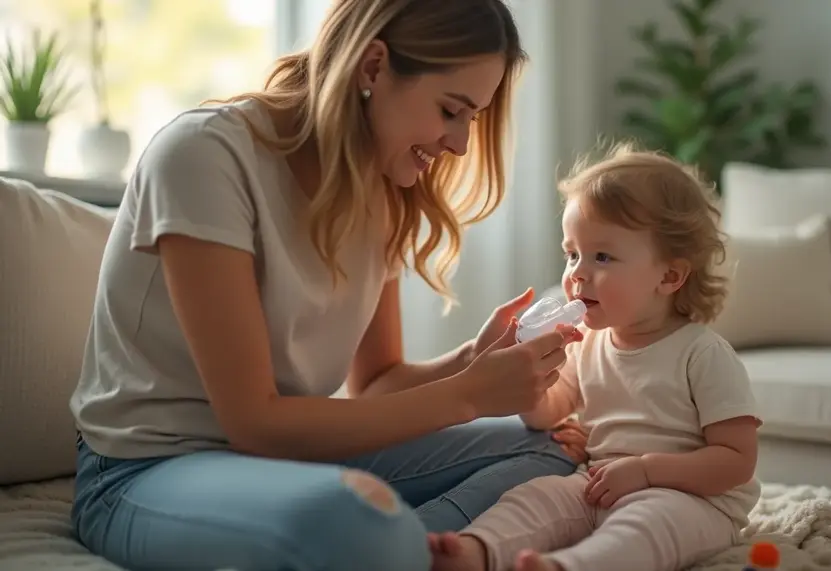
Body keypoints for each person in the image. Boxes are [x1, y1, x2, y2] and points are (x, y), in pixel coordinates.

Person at [68, 1, 584, 570]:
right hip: (149, 468)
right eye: (450, 110)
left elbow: (378, 383)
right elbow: (254, 424)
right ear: (373, 67)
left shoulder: (381, 190)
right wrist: (467, 395)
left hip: (289, 461)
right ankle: (389, 546)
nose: (460, 144)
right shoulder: (205, 157)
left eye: (473, 119)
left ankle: (419, 551)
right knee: (353, 523)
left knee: (551, 448)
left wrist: (472, 362)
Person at [427, 143, 764, 571]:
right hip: (600, 482)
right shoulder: (585, 341)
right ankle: (477, 551)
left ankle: (569, 565)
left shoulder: (702, 353)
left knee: (644, 527)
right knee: (538, 496)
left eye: (601, 256)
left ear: (669, 276)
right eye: (572, 254)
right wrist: (530, 369)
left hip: (691, 501)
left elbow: (736, 461)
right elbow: (544, 416)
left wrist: (645, 471)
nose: (577, 273)